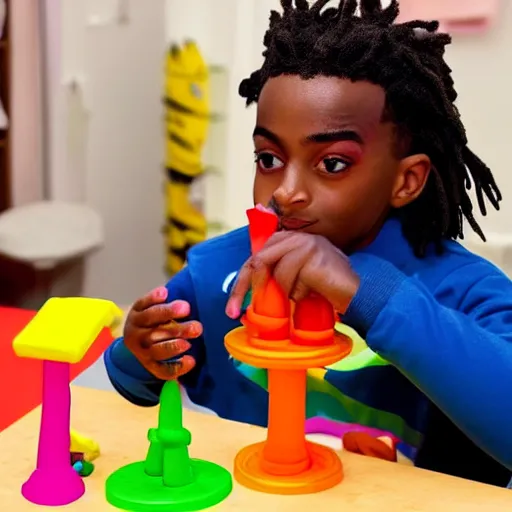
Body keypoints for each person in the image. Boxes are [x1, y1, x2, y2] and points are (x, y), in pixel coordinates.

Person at [105, 0, 512, 486]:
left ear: (406, 180)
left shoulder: (463, 291)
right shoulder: (219, 274)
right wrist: (141, 350)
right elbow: (135, 387)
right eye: (270, 159)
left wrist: (368, 293)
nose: (286, 191)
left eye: (333, 164)